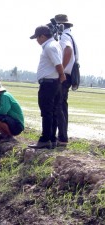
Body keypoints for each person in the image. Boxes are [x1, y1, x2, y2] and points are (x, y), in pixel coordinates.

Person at [28, 25, 66, 149]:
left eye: (37, 38)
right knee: (53, 112)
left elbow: (58, 64)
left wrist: (61, 75)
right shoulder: (54, 45)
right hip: (53, 83)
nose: (37, 41)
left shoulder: (49, 47)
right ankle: (51, 139)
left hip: (49, 83)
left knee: (47, 112)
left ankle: (45, 139)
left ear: (42, 36)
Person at [54, 14, 79, 147]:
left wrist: (61, 71)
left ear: (59, 25)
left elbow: (67, 51)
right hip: (70, 75)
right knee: (63, 105)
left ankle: (62, 138)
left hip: (64, 76)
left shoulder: (64, 37)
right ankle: (62, 136)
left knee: (58, 106)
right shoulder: (71, 36)